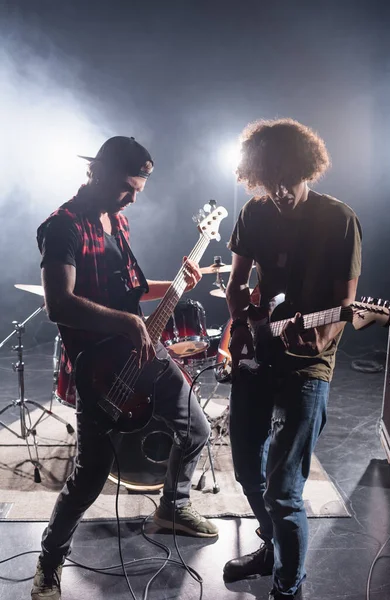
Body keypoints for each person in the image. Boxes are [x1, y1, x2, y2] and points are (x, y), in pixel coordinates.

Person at [31, 136, 218, 600]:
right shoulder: (62, 227)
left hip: (144, 353)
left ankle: (173, 506)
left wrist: (175, 284)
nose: (134, 196)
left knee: (196, 430)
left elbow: (132, 292)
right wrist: (127, 321)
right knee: (90, 475)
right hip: (98, 367)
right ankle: (48, 563)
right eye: (126, 187)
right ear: (97, 173)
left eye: (139, 188)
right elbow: (59, 304)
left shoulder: (118, 222)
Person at [223, 118, 362, 599]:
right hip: (257, 351)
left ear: (308, 168)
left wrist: (319, 341)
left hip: (308, 363)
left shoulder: (339, 220)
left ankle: (288, 586)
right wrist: (241, 324)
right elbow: (237, 285)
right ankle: (273, 546)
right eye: (269, 180)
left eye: (288, 178)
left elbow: (347, 308)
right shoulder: (254, 213)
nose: (280, 190)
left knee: (283, 489)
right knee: (245, 467)